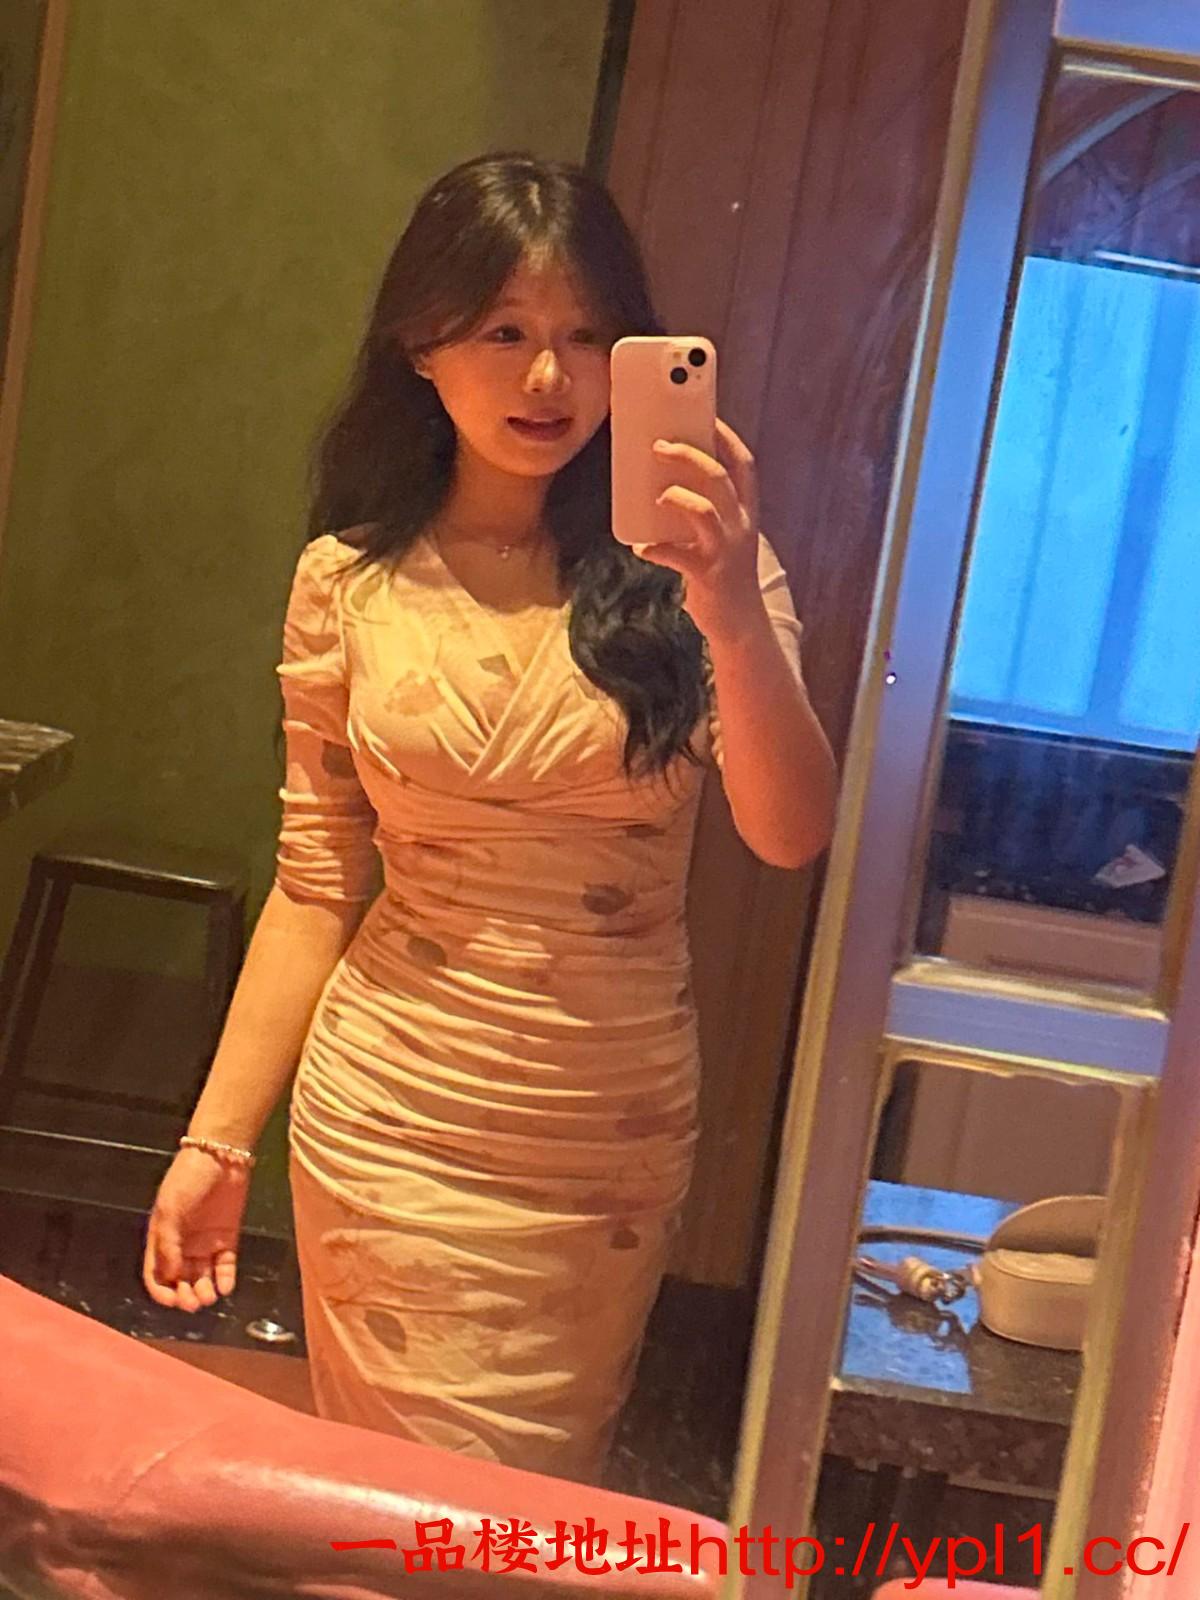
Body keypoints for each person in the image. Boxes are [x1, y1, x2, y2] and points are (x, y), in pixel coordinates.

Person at [141, 151, 837, 1485]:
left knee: (513, 1516)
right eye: (506, 332)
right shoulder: (347, 585)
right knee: (383, 1511)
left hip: (597, 1137)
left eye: (587, 336)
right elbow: (315, 884)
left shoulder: (697, 575)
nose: (549, 377)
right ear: (423, 343)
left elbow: (791, 831)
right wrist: (218, 1141)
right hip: (386, 1114)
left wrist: (734, 614)